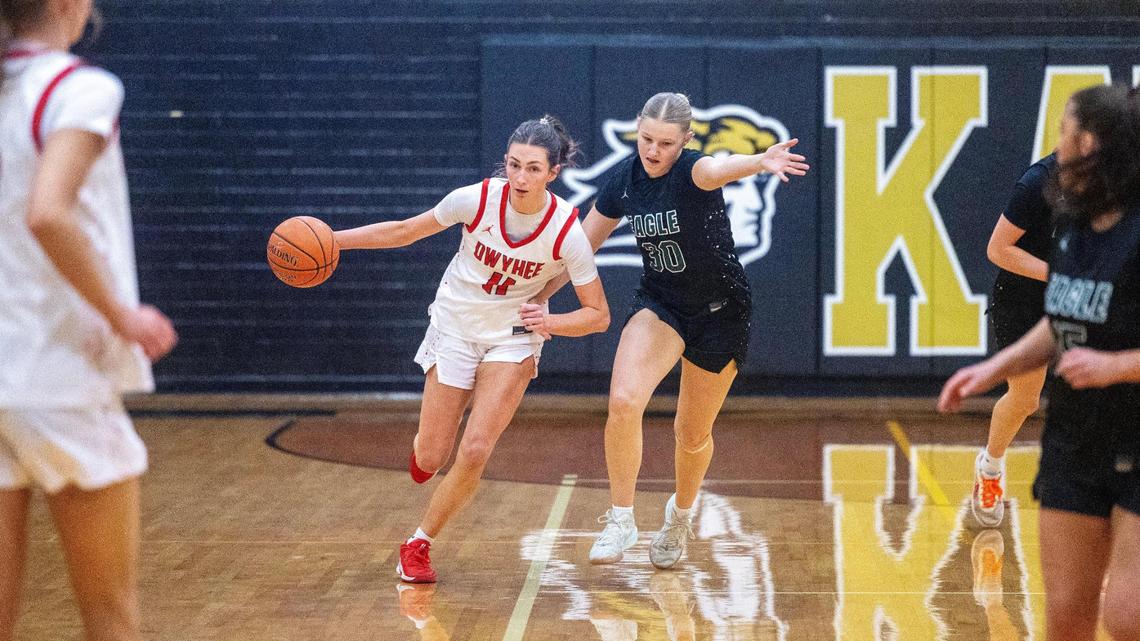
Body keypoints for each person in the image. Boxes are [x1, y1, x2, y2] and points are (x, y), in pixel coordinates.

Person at [534, 92, 809, 569]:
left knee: (690, 435)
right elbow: (582, 249)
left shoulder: (692, 170)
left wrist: (761, 161)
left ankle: (679, 517)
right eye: (646, 139)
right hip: (661, 304)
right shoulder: (625, 180)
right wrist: (540, 295)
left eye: (665, 142)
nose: (653, 151)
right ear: (637, 130)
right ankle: (621, 519)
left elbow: (718, 169)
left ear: (685, 140)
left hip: (721, 314)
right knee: (623, 401)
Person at [333, 115, 609, 583]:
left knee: (477, 448)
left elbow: (598, 315)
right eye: (515, 165)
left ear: (553, 173)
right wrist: (334, 241)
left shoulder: (566, 231)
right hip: (456, 327)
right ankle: (425, 453)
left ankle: (418, 543)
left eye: (534, 169)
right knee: (432, 456)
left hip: (513, 337)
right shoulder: (474, 199)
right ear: (505, 163)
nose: (521, 178)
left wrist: (552, 322)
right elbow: (404, 230)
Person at [0, 1, 179, 639]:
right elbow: (48, 212)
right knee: (109, 618)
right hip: (58, 377)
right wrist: (123, 315)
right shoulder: (79, 87)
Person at [940, 84, 1140, 641]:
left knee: (1126, 615)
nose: (1055, 142)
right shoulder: (1068, 212)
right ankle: (991, 467)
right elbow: (1059, 317)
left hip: (1135, 430)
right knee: (1066, 619)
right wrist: (992, 367)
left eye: (1062, 130)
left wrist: (1117, 365)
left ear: (1090, 142)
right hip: (1076, 440)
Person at [971, 152, 1056, 528]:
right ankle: (990, 467)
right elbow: (998, 249)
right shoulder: (1038, 182)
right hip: (1024, 298)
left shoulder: (1119, 180)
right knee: (1026, 398)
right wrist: (1061, 275)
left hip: (1084, 296)